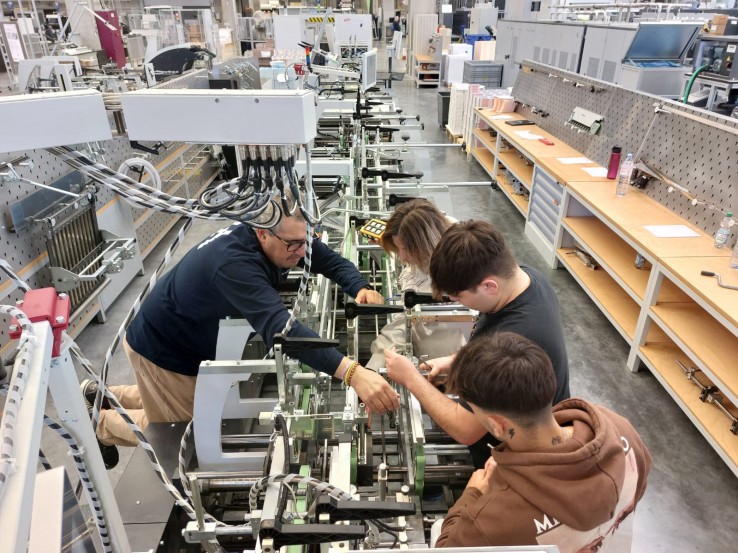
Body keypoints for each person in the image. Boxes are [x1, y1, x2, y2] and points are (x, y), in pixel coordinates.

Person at [89, 193, 400, 448]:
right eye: (294, 245)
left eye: (307, 240)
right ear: (262, 233)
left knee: (173, 395)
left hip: (185, 336)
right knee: (182, 429)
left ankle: (99, 393)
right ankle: (98, 424)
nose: (303, 251)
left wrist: (359, 285)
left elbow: (328, 259)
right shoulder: (235, 265)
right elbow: (284, 330)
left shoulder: (289, 236)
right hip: (164, 348)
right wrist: (353, 374)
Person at [435, 332, 652, 550]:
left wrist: (472, 494)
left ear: (498, 425)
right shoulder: (621, 428)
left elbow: (446, 547)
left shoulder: (490, 519)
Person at [384, 220, 570, 467]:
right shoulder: (526, 279)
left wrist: (410, 378)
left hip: (521, 461)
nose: (457, 302)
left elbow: (465, 429)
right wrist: (456, 361)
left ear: (489, 286)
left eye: (458, 296)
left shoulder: (516, 337)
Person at [365, 199, 466, 370]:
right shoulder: (445, 228)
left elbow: (405, 322)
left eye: (406, 249)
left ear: (424, 244)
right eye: (399, 249)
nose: (402, 257)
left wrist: (374, 365)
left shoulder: (447, 271)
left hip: (444, 352)